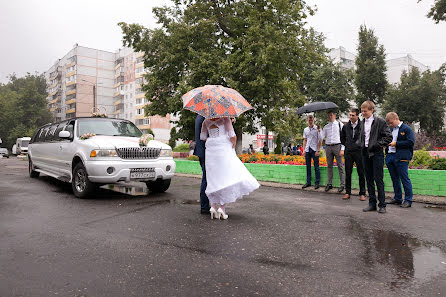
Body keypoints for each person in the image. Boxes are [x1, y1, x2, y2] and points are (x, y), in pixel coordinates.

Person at [200, 117, 260, 220]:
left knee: (213, 178)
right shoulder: (225, 119)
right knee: (225, 177)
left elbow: (203, 137)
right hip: (223, 148)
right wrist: (233, 143)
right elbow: (232, 135)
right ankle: (222, 208)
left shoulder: (205, 121)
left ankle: (213, 206)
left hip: (211, 150)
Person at [359, 100, 392, 214]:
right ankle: (372, 203)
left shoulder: (380, 122)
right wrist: (361, 144)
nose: (363, 113)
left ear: (372, 110)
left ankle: (382, 205)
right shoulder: (362, 122)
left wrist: (377, 145)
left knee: (378, 179)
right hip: (365, 154)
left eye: (365, 111)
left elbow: (388, 137)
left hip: (377, 154)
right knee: (369, 179)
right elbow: (362, 137)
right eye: (362, 111)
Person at [385, 112, 415, 208]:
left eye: (391, 122)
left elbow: (410, 142)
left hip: (401, 157)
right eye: (389, 123)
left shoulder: (406, 129)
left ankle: (408, 200)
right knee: (394, 179)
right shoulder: (390, 129)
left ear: (396, 118)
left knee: (404, 179)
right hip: (390, 156)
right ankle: (397, 198)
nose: (390, 125)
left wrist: (396, 144)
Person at [340, 108, 366, 201]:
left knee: (361, 172)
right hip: (349, 152)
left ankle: (362, 193)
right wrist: (347, 145)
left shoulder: (363, 125)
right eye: (350, 115)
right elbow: (342, 138)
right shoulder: (346, 126)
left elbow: (365, 137)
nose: (351, 117)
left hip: (359, 152)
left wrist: (360, 146)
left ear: (357, 116)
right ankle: (347, 192)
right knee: (348, 172)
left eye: (353, 115)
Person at [321, 111, 345, 193]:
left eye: (331, 115)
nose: (330, 117)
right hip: (328, 147)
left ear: (335, 115)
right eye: (329, 115)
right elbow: (321, 137)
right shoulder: (326, 126)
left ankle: (342, 184)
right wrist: (318, 130)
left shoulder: (340, 125)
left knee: (340, 166)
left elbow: (344, 138)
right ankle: (329, 183)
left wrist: (342, 148)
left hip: (337, 146)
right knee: (329, 166)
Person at [193, 115, 210, 215]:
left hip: (201, 151)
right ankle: (204, 206)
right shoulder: (205, 117)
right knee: (207, 178)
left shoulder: (199, 116)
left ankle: (205, 205)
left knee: (206, 178)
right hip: (206, 151)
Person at [302, 114, 322, 189]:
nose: (310, 121)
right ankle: (308, 182)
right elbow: (305, 140)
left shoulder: (317, 129)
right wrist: (304, 150)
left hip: (314, 150)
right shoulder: (305, 130)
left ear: (314, 120)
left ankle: (317, 182)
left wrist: (318, 150)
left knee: (316, 166)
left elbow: (320, 141)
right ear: (307, 120)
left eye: (311, 119)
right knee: (308, 166)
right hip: (307, 149)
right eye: (309, 120)